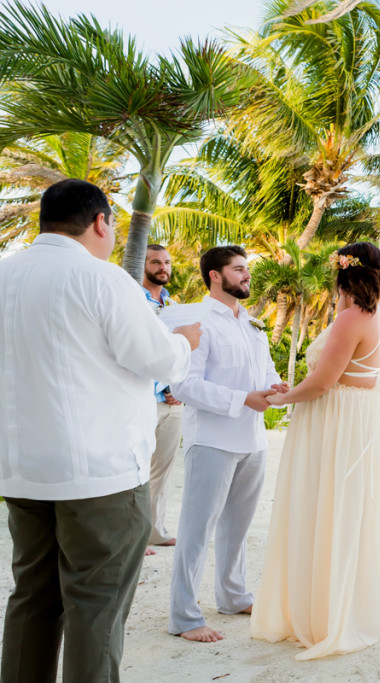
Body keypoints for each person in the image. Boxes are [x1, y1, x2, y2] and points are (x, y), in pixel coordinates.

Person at [0, 179, 200, 682]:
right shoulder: (104, 280)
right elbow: (159, 361)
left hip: (22, 471)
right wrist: (182, 341)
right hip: (100, 475)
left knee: (32, 600)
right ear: (100, 222)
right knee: (97, 608)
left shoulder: (3, 277)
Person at [251, 242, 380, 659]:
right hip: (355, 417)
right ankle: (342, 604)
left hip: (335, 420)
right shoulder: (379, 317)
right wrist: (293, 389)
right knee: (344, 510)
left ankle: (327, 616)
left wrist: (278, 400)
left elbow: (324, 383)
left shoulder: (352, 317)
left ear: (343, 274)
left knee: (325, 507)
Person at [168, 245, 287, 643]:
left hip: (254, 439)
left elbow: (265, 370)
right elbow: (183, 385)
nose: (246, 276)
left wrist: (275, 387)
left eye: (246, 269)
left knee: (238, 527)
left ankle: (233, 596)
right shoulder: (197, 321)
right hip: (212, 441)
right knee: (196, 530)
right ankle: (184, 617)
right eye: (238, 270)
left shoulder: (252, 323)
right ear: (215, 276)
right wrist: (241, 400)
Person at [142, 244, 184, 554]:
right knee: (136, 470)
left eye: (166, 262)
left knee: (162, 469)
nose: (163, 267)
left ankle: (155, 531)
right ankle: (133, 536)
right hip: (142, 400)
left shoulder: (174, 305)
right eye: (156, 261)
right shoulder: (132, 300)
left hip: (172, 402)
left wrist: (177, 386)